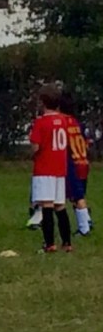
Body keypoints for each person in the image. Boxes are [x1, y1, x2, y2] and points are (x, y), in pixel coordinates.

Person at [30, 85, 72, 253]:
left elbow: (35, 146)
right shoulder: (64, 120)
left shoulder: (41, 122)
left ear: (42, 103)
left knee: (46, 205)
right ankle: (67, 243)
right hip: (59, 168)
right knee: (60, 205)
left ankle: (49, 244)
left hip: (44, 168)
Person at [61, 92, 93, 236]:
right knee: (78, 196)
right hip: (83, 162)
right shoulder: (77, 122)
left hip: (72, 163)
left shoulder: (62, 122)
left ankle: (84, 228)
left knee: (77, 197)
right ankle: (87, 220)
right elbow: (86, 143)